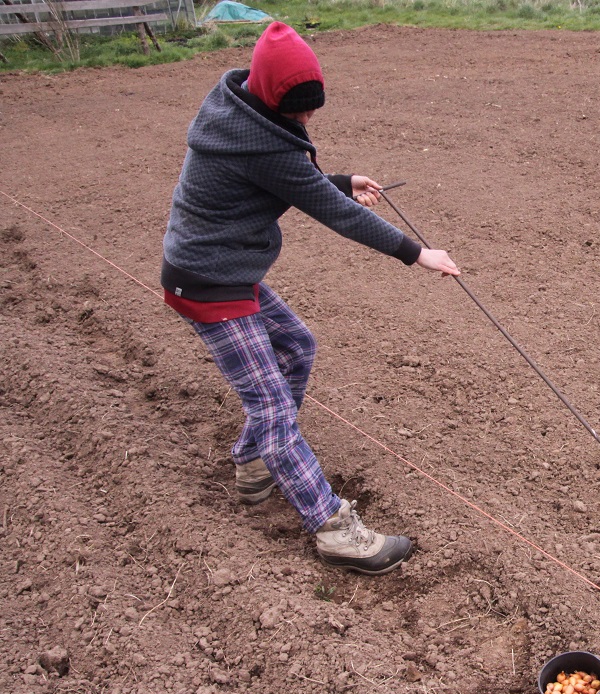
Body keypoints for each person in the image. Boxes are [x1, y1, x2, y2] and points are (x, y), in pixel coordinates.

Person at [161, 22, 460, 575]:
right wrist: (416, 253)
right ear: (271, 96)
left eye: (310, 110)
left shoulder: (240, 108)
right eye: (297, 111)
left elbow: (291, 175)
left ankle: (253, 462)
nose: (305, 119)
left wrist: (342, 179)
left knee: (297, 345)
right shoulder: (257, 138)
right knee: (272, 406)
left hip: (229, 267)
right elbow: (327, 208)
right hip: (209, 282)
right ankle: (334, 530)